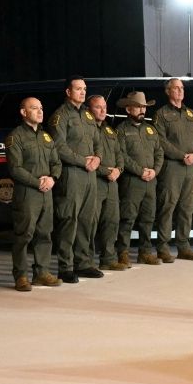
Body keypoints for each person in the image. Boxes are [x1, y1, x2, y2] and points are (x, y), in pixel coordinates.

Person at [4, 97, 62, 292]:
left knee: (45, 234)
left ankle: (42, 273)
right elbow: (15, 169)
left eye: (41, 108)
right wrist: (37, 182)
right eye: (34, 108)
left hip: (46, 192)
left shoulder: (46, 137)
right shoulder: (16, 137)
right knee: (24, 235)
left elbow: (57, 163)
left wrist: (53, 178)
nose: (40, 112)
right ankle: (20, 275)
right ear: (23, 112)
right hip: (28, 192)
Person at [48, 77, 103, 283]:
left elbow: (97, 141)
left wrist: (97, 158)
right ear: (68, 92)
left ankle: (84, 263)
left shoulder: (88, 116)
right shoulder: (60, 116)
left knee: (87, 220)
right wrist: (83, 161)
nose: (82, 92)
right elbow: (58, 147)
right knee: (69, 220)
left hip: (90, 174)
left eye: (84, 89)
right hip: (72, 173)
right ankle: (66, 266)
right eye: (78, 89)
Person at [153, 77, 193, 262]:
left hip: (190, 168)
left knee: (186, 208)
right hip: (172, 167)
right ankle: (163, 248)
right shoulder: (161, 114)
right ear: (168, 91)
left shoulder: (192, 115)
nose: (180, 91)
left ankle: (183, 246)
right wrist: (182, 155)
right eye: (176, 88)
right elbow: (160, 141)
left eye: (182, 88)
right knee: (168, 207)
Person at [116, 91, 163, 266]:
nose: (142, 110)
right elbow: (121, 155)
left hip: (150, 181)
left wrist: (155, 171)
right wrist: (139, 171)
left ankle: (145, 252)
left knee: (148, 218)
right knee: (127, 218)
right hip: (132, 181)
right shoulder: (121, 130)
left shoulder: (151, 129)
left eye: (144, 107)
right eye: (138, 107)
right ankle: (123, 253)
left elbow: (159, 152)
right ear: (129, 109)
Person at [88, 94, 127, 271]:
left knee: (112, 221)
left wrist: (119, 169)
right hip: (95, 181)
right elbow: (88, 158)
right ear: (89, 109)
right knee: (90, 222)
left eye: (105, 107)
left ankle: (108, 259)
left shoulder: (110, 130)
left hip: (112, 182)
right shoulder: (86, 130)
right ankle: (86, 261)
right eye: (98, 107)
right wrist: (106, 171)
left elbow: (120, 154)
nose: (103, 110)